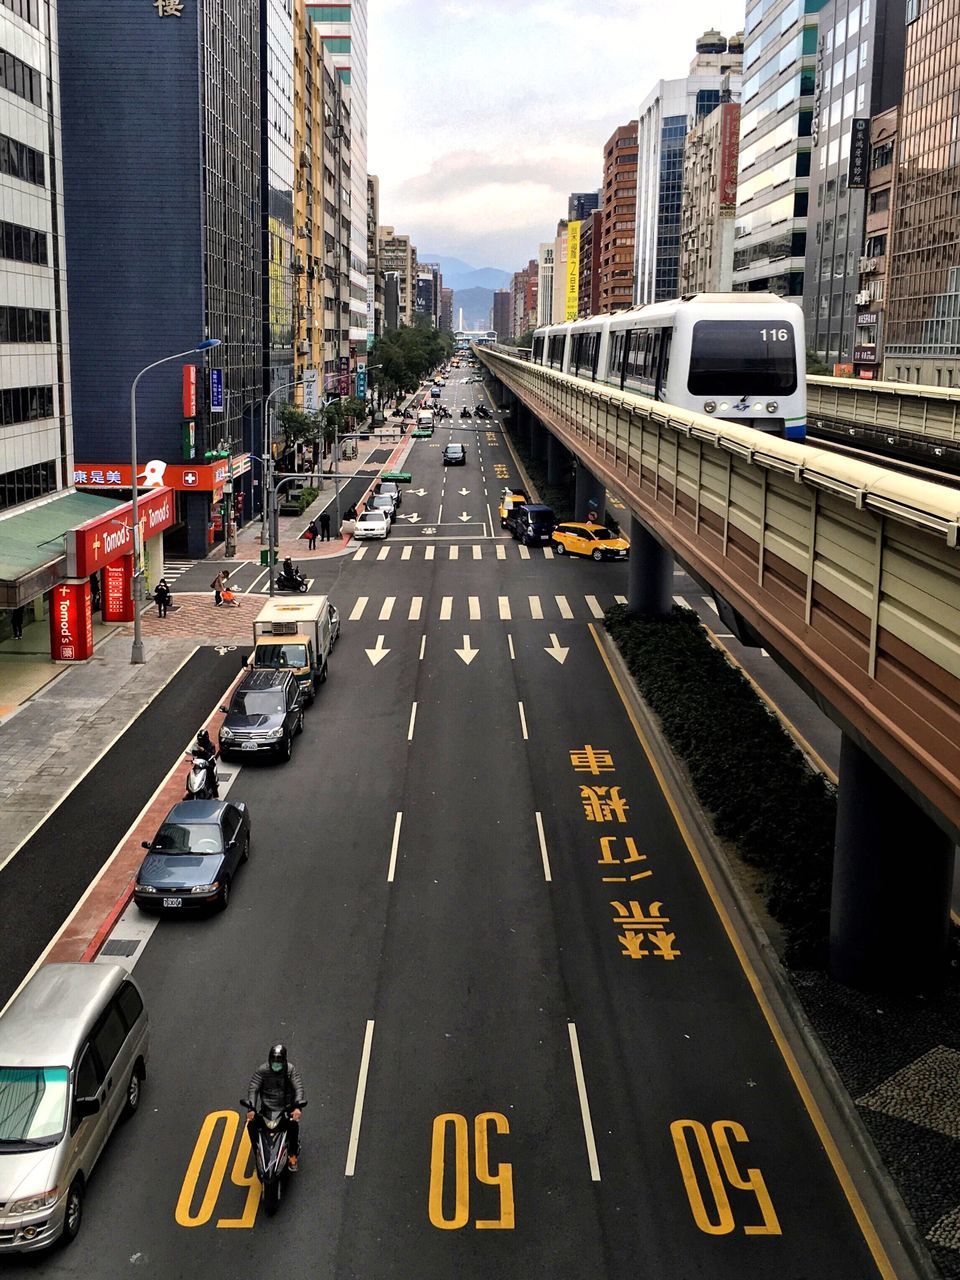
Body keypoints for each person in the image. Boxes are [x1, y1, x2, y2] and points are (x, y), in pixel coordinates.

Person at [246, 1044, 306, 1172]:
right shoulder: (262, 1071)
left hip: (286, 1110)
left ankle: (292, 1154)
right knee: (251, 1126)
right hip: (267, 1110)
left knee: (293, 1126)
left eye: (279, 1061)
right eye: (274, 1061)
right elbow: (253, 1089)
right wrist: (251, 1109)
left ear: (284, 1061)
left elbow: (298, 1088)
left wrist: (297, 1108)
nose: (276, 1064)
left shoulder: (290, 1070)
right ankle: (257, 1152)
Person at [193, 729, 219, 798]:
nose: (200, 741)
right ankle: (190, 789)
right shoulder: (198, 745)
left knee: (211, 776)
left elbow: (211, 754)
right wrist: (194, 751)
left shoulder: (211, 745)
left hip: (209, 763)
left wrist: (203, 750)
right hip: (199, 763)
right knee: (191, 773)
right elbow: (194, 752)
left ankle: (215, 793)